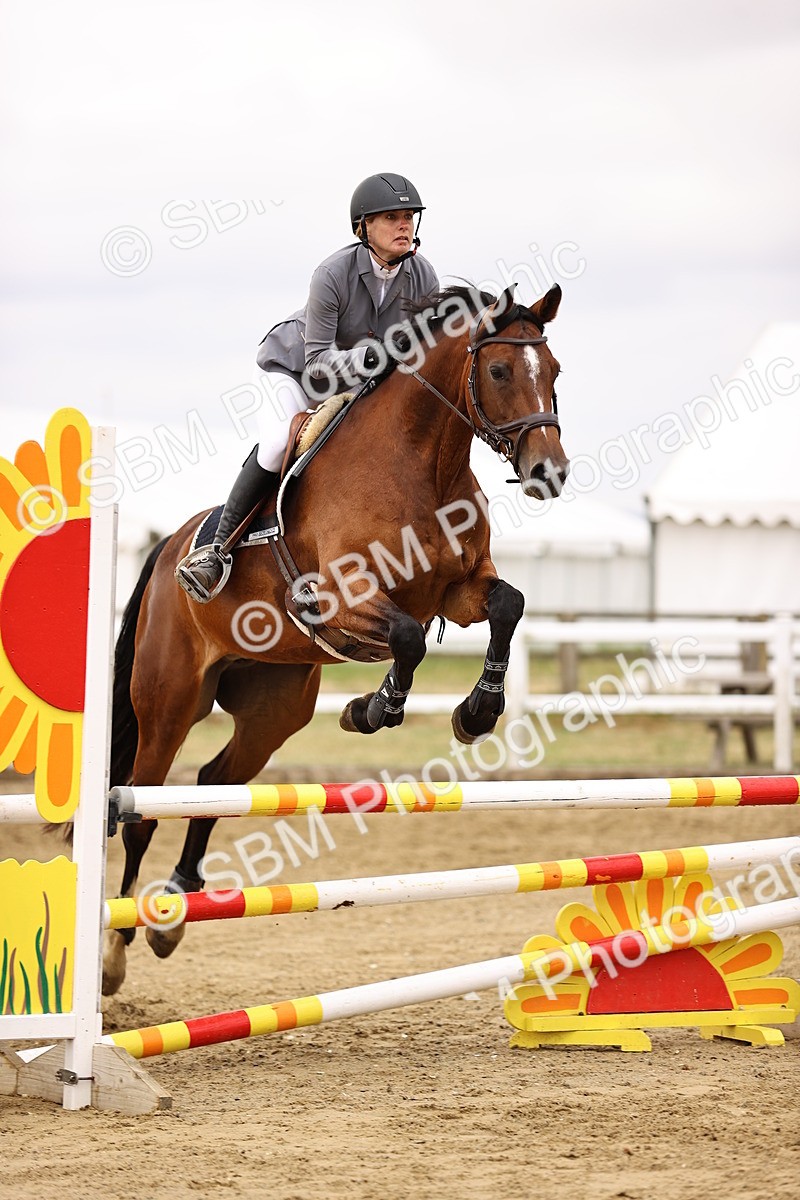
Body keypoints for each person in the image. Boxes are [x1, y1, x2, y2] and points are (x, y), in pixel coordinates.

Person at [176, 172, 439, 603]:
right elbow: (317, 365)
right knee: (280, 441)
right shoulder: (332, 273)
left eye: (409, 217)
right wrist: (372, 357)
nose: (404, 226)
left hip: (361, 386)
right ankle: (217, 551)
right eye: (391, 217)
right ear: (363, 227)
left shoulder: (423, 276)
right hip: (297, 374)